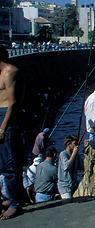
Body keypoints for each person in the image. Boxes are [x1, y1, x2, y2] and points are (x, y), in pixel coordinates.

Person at [0, 45, 25, 220]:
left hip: (6, 119)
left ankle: (16, 203)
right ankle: (10, 198)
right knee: (2, 164)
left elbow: (13, 103)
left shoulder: (10, 73)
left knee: (10, 165)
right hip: (1, 116)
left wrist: (3, 127)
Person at [57, 135, 82, 199]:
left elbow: (81, 166)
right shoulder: (63, 154)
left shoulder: (76, 155)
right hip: (64, 185)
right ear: (68, 144)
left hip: (73, 184)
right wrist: (74, 153)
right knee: (68, 202)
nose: (76, 146)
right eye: (74, 144)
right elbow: (67, 166)